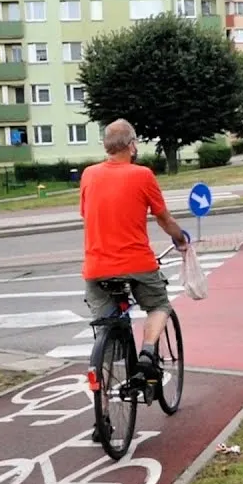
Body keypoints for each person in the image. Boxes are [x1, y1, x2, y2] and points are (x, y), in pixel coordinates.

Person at [80, 119, 189, 416]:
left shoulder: (89, 175)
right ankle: (148, 352)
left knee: (106, 328)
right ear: (131, 145)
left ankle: (101, 413)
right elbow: (163, 218)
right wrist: (180, 239)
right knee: (158, 305)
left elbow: (87, 214)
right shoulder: (142, 175)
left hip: (96, 268)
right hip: (136, 263)